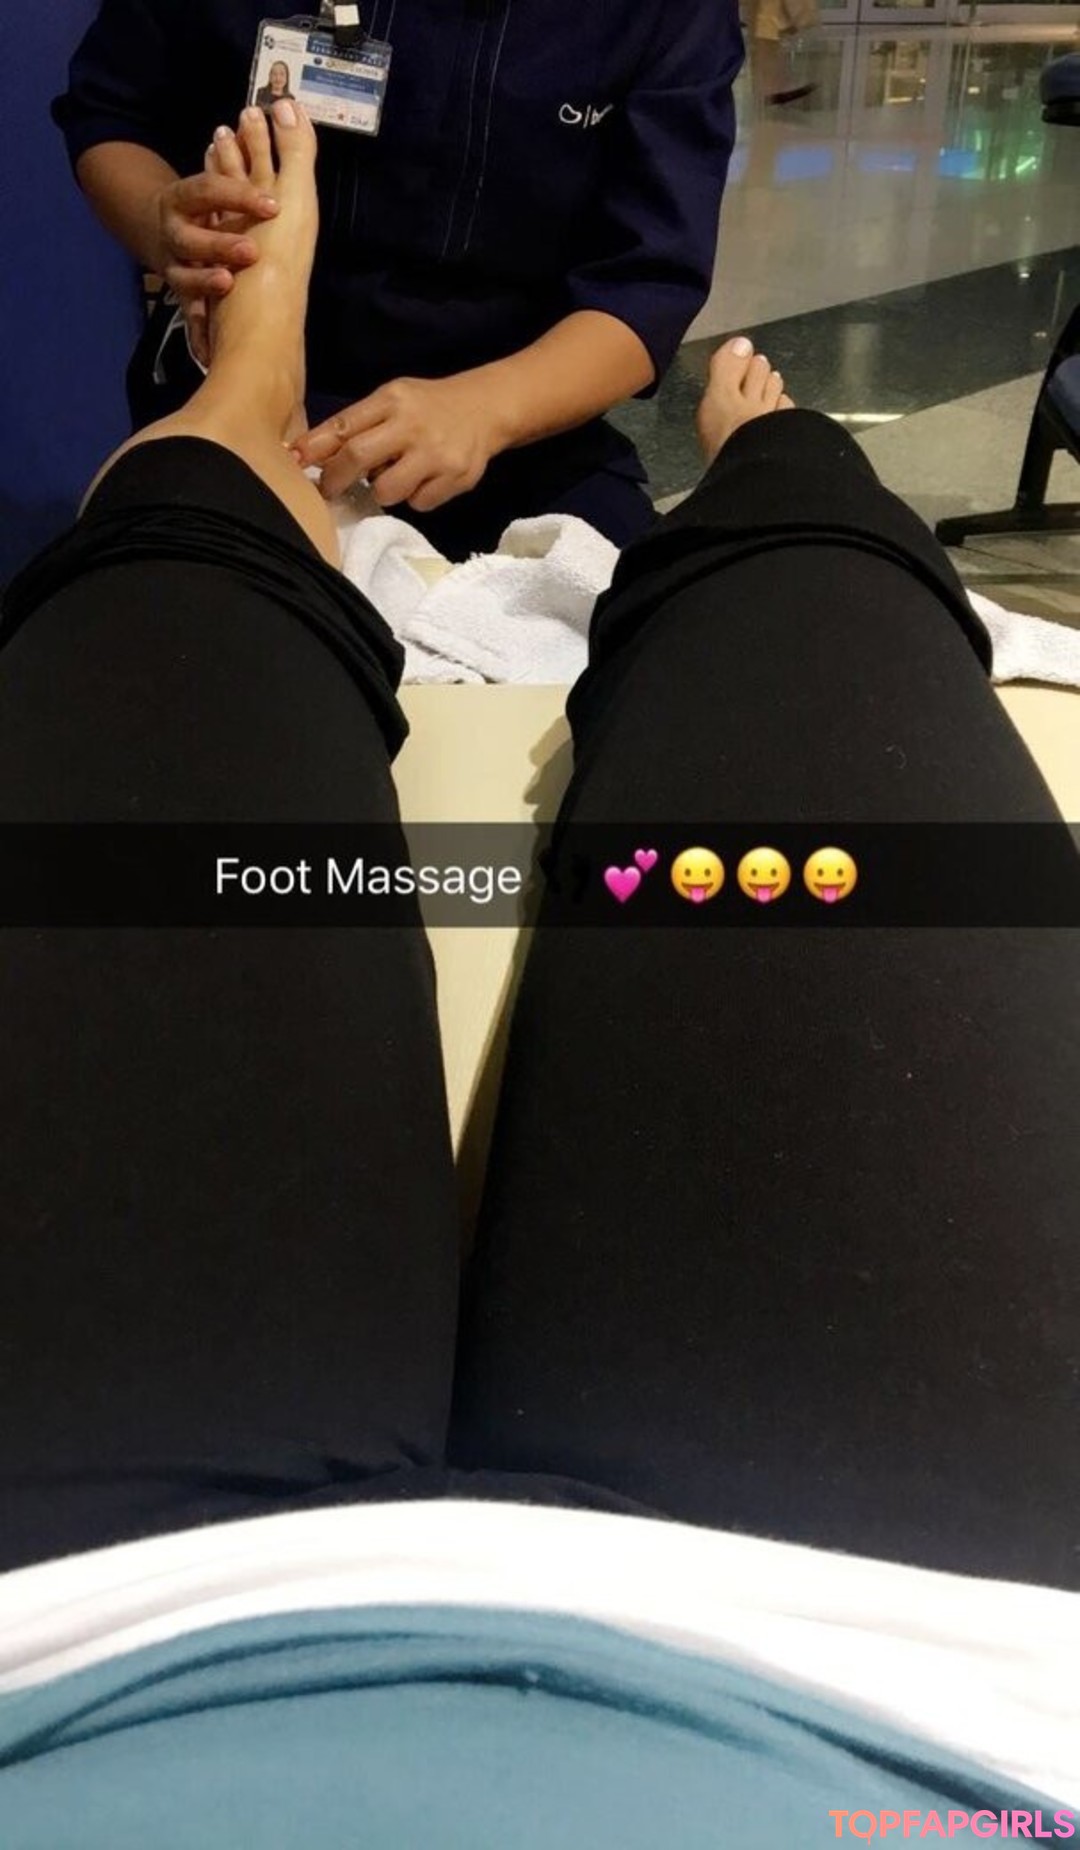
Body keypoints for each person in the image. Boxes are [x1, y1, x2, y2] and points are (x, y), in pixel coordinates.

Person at [0, 102, 1076, 1842]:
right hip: (933, 1699)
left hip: (58, 1623)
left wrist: (488, 408)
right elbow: (110, 116)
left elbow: (638, 295)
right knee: (815, 586)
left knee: (176, 570)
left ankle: (247, 406)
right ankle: (773, 474)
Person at [53, 0, 743, 558]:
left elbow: (648, 282)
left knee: (650, 627)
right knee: (183, 599)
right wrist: (163, 223)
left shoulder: (663, 16)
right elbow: (111, 111)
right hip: (237, 382)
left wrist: (489, 407)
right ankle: (255, 379)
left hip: (523, 417)